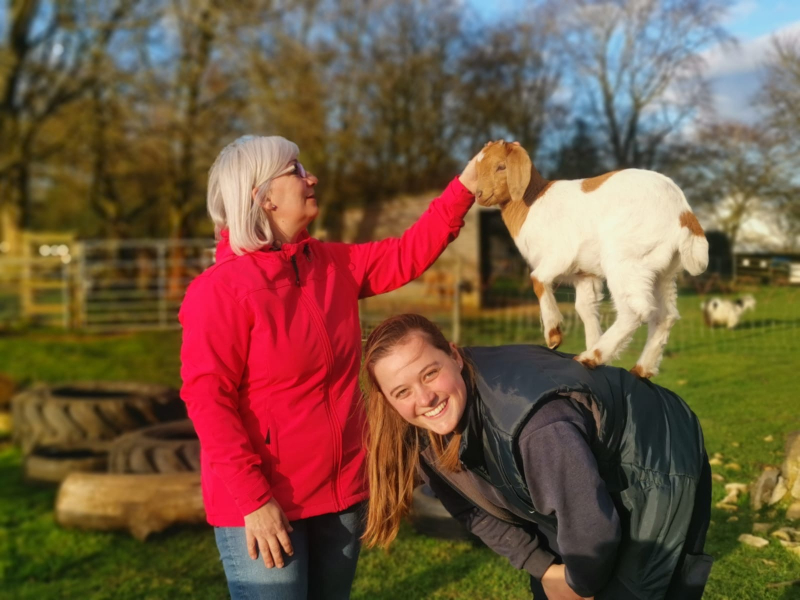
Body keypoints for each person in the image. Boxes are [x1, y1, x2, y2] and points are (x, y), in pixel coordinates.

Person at [179, 136, 481, 600]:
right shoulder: (218, 292)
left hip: (342, 496)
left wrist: (464, 187)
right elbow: (208, 402)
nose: (311, 178)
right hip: (264, 502)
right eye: (296, 170)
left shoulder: (332, 264)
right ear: (262, 196)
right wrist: (255, 501)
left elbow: (407, 253)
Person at [361, 313, 713, 600]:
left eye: (430, 373)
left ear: (454, 355)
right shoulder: (423, 432)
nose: (424, 399)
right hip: (574, 473)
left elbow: (590, 529)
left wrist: (581, 584)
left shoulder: (535, 425)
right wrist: (544, 568)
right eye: (402, 391)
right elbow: (472, 510)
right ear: (387, 398)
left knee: (637, 589)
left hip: (654, 457)